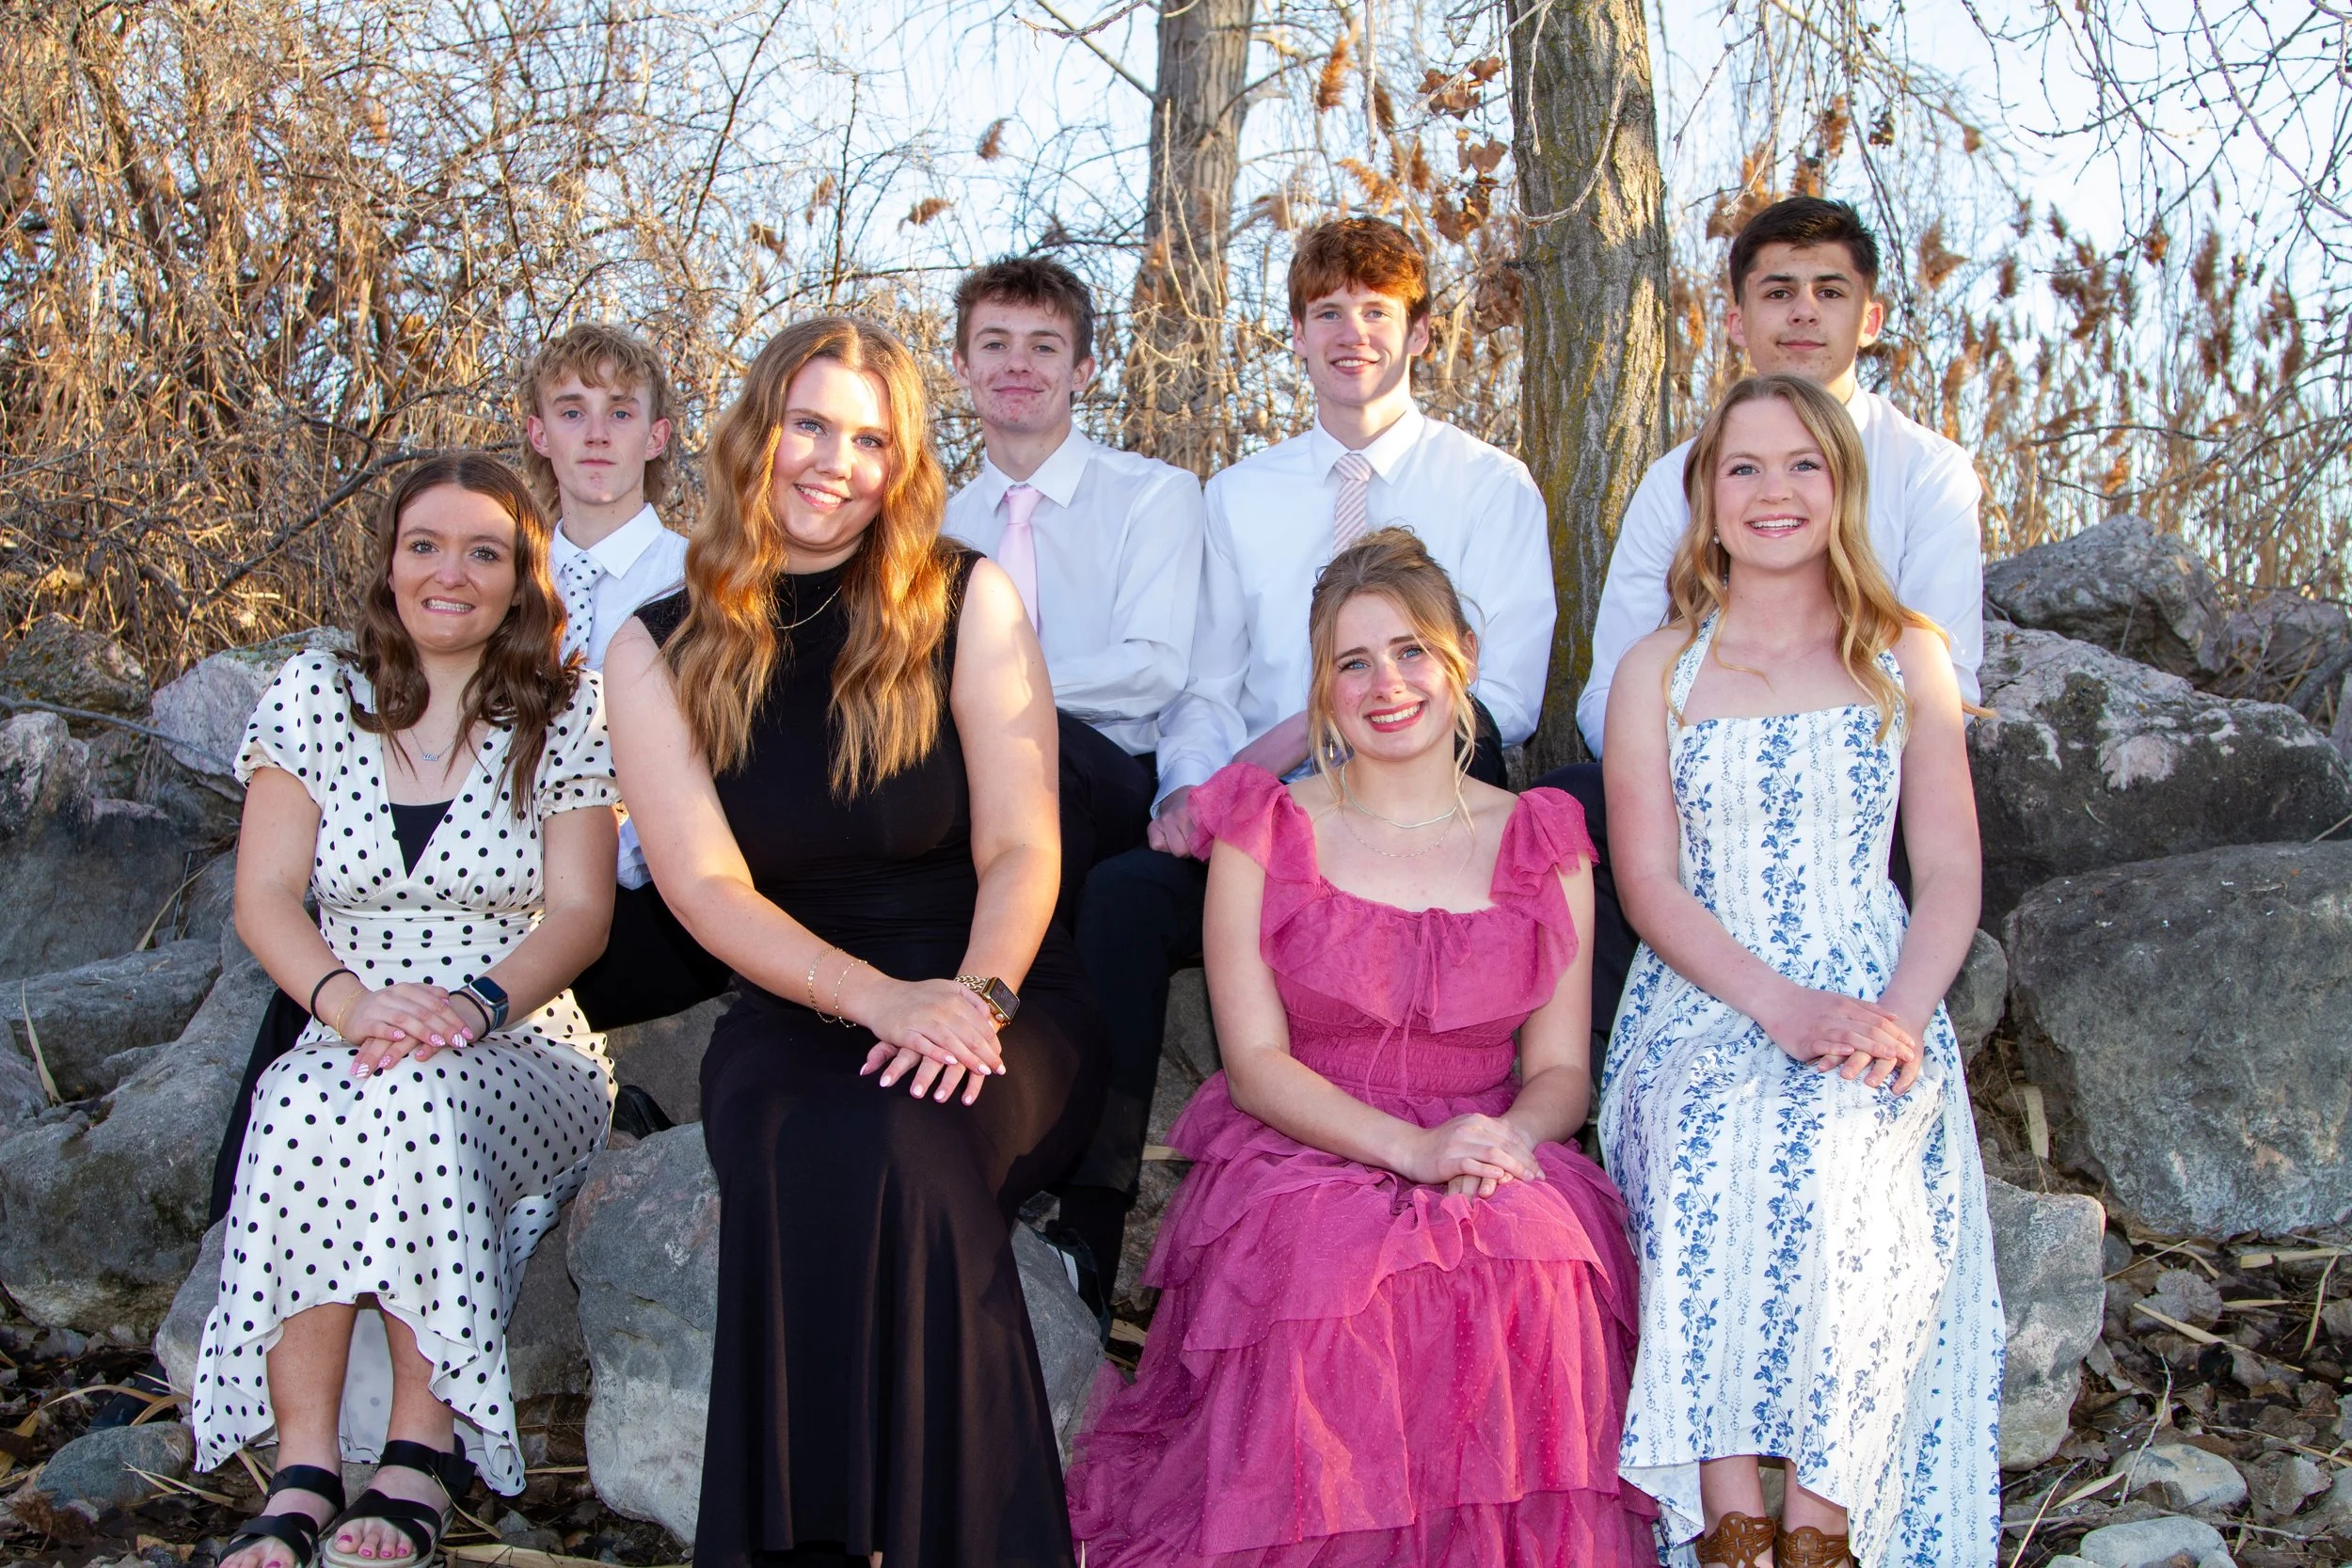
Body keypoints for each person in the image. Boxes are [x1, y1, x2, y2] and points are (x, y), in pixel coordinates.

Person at [601, 316, 1105, 1567]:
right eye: (810, 424)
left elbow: (1023, 849)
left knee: (914, 1139)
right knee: (802, 1133)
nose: (835, 461)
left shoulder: (968, 597)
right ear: (754, 431)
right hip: (792, 997)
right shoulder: (652, 645)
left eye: (870, 438)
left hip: (1002, 981)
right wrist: (875, 998)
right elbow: (708, 890)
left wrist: (972, 998)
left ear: (904, 461)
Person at [1066, 529, 1654, 1566]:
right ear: (1323, 686)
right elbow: (1256, 1063)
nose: (1387, 683)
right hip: (1314, 1140)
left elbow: (1561, 1068)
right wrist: (1410, 1150)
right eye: (1353, 661)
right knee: (1340, 1278)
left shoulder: (1542, 836)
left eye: (1411, 650)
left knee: (1540, 1262)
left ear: (1462, 655)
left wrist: (1502, 1139)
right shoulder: (1267, 827)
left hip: (1490, 1130)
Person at [1065, 215, 1558, 1288]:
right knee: (1119, 896)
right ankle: (1085, 1233)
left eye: (1377, 311)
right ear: (1295, 332)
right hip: (1265, 811)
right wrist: (1199, 786)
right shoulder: (1238, 494)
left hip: (1430, 793)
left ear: (1419, 334)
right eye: (1327, 311)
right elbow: (1206, 679)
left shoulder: (1487, 484)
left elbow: (1507, 693)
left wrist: (1330, 743)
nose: (1351, 332)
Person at [1597, 375, 2001, 1567]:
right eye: (1744, 468)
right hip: (1706, 992)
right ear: (1706, 500)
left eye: (1803, 467)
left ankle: (1820, 1527)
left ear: (1842, 489)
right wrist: (1774, 1004)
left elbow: (1949, 873)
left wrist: (1899, 1017)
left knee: (1840, 1143)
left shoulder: (1905, 657)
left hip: (1875, 987)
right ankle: (1729, 1515)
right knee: (1715, 1127)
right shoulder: (1655, 672)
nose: (1775, 492)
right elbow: (1650, 885)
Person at [197, 453, 621, 1568]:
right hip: (353, 1014)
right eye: (425, 544)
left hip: (520, 1031)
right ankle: (302, 1465)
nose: (451, 572)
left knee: (421, 1095)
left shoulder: (567, 705)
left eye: (486, 551)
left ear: (521, 579)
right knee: (291, 1100)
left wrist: (473, 1007)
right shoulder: (311, 691)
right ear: (389, 563)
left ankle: (419, 1449)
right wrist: (345, 1003)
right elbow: (265, 895)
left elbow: (580, 915)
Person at [199, 326, 718, 1239]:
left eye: (620, 411)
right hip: (485, 877)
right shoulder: (487, 560)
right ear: (535, 432)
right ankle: (232, 1251)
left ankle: (581, 1109)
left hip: (636, 897)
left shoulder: (708, 583)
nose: (595, 433)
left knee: (429, 992)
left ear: (660, 434)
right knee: (321, 983)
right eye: (570, 411)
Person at [1547, 197, 1986, 1066]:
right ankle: (1611, 1062)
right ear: (1738, 317)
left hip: (1872, 767)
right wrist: (1685, 767)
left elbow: (1951, 686)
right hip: (1698, 763)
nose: (1803, 311)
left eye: (1830, 290)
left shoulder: (1927, 468)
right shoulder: (1679, 477)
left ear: (1870, 316)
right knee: (1574, 807)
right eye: (1778, 290)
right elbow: (1615, 682)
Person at [943, 256, 1203, 924]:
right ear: (961, 366)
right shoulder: (938, 527)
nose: (1017, 364)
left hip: (1109, 769)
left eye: (1044, 346)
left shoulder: (1152, 495)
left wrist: (999, 696)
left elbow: (1155, 666)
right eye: (995, 343)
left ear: (1082, 372)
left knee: (1042, 754)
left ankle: (1011, 985)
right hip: (963, 771)